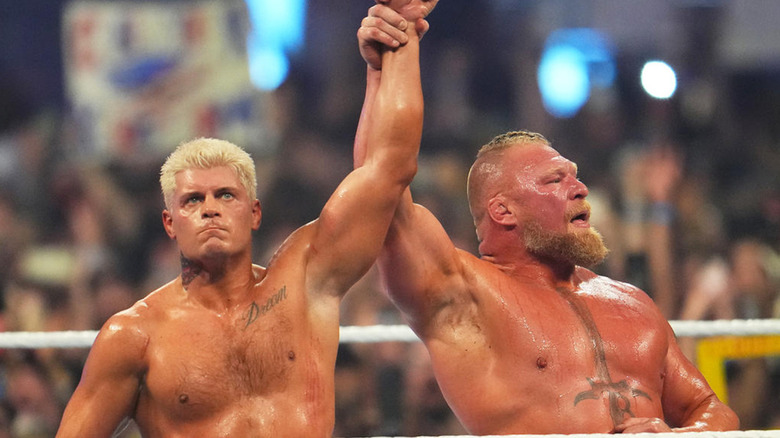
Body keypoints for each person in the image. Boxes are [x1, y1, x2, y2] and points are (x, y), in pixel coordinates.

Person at [55, 1, 436, 435]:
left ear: (254, 212)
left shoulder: (304, 284)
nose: (210, 208)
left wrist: (396, 47)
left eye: (225, 195)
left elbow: (388, 169)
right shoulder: (133, 337)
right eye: (192, 201)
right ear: (169, 223)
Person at [358, 5, 739, 435]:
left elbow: (712, 411)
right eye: (555, 179)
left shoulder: (633, 303)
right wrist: (392, 58)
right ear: (503, 211)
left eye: (576, 176)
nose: (580, 189)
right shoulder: (464, 296)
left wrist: (680, 436)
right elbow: (379, 186)